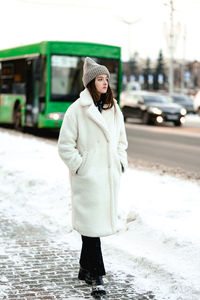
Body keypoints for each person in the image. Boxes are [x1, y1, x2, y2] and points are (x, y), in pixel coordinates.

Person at [58, 57, 128, 297]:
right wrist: (81, 167)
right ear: (90, 83)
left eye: (106, 78)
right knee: (91, 228)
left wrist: (120, 162)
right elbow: (65, 146)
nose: (105, 82)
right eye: (100, 79)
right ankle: (98, 276)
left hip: (108, 179)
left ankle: (85, 269)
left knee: (91, 226)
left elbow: (122, 142)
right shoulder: (76, 110)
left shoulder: (114, 108)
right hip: (88, 180)